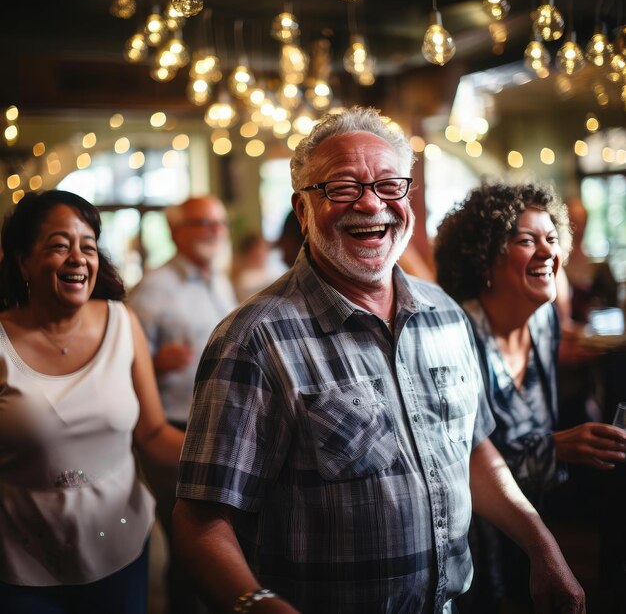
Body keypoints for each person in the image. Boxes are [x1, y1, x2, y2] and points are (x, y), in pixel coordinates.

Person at [172, 107, 585, 614]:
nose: (371, 204)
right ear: (303, 211)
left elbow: (474, 450)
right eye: (342, 187)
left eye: (390, 186)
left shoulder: (445, 315)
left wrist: (544, 548)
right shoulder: (254, 339)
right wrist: (258, 605)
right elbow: (200, 519)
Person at [434, 182, 626, 612]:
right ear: (484, 255)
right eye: (526, 240)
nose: (546, 251)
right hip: (470, 550)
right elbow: (456, 464)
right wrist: (554, 448)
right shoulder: (454, 336)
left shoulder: (543, 324)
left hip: (534, 528)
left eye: (552, 238)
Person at [0, 190, 184, 614]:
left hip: (120, 544)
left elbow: (153, 434)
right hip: (20, 558)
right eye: (59, 246)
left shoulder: (123, 322)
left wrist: (227, 460)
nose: (78, 258)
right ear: (23, 260)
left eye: (88, 246)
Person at [129, 194, 238, 614]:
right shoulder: (152, 291)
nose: (214, 231)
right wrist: (154, 363)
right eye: (202, 223)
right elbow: (120, 368)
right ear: (176, 231)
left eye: (219, 223)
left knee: (217, 536)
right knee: (189, 541)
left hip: (220, 425)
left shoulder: (219, 280)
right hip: (172, 428)